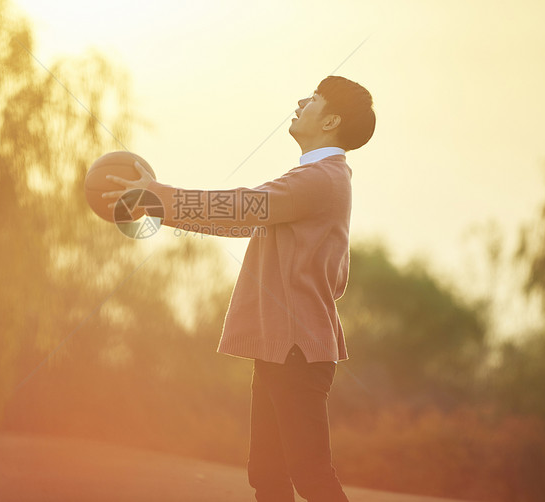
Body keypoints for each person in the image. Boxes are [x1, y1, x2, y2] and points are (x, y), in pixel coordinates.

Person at [104, 76, 375, 502]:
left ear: (332, 121)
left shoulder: (321, 179)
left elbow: (240, 207)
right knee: (267, 474)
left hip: (296, 351)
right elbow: (240, 219)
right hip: (280, 348)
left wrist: (154, 196)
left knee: (310, 476)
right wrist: (156, 203)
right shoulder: (313, 176)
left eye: (315, 99)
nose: (302, 101)